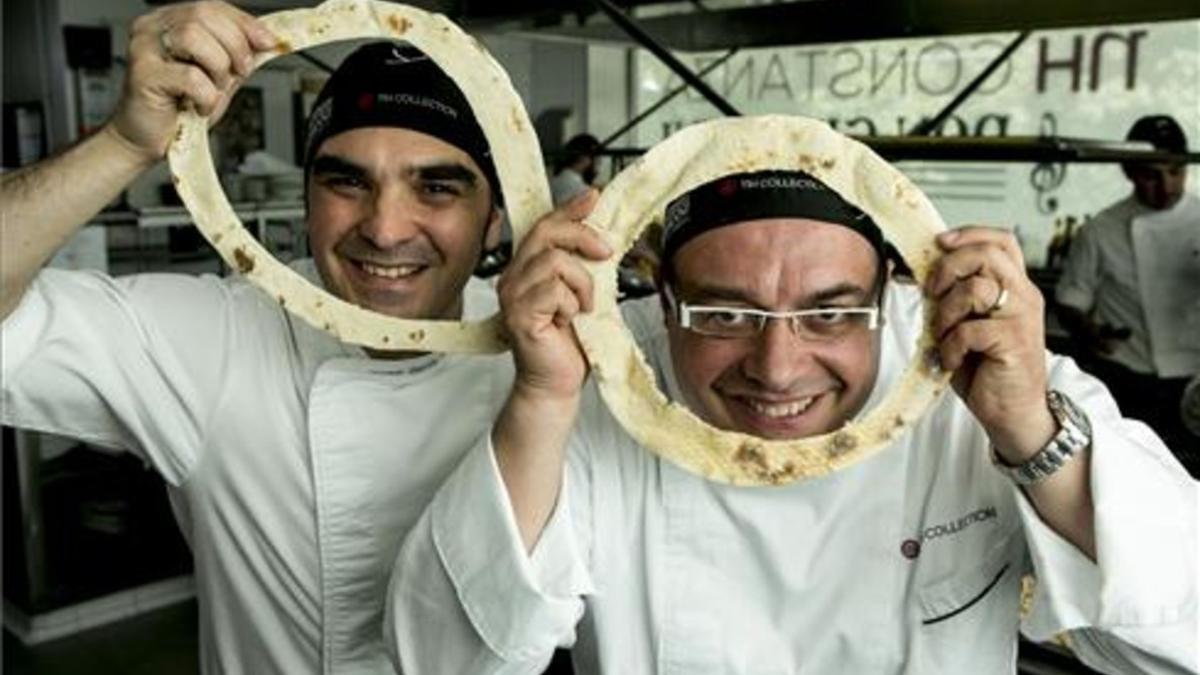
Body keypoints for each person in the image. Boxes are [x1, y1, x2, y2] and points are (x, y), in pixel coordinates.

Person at [386, 170, 1199, 674]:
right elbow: (442, 662)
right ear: (659, 298)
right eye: (724, 313)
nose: (778, 368)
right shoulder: (600, 378)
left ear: (890, 292)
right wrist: (542, 399)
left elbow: (1178, 642)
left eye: (832, 313)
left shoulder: (982, 365)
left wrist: (1026, 430)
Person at [1, 3, 516, 673]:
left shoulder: (547, 356)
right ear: (306, 201)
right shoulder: (220, 342)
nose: (386, 229)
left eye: (437, 186)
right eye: (345, 181)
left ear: (497, 220)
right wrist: (123, 143)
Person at [1055, 114, 1200, 471]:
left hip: (1195, 379)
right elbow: (1071, 301)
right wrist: (1089, 332)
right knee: (1136, 477)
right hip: (1130, 379)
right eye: (1152, 175)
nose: (1166, 186)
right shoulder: (1101, 230)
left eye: (1175, 172)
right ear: (1129, 172)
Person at [549, 133, 600, 206]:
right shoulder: (584, 192)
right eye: (597, 159)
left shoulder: (552, 182)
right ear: (584, 158)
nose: (598, 165)